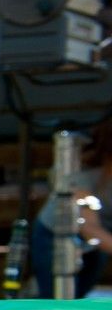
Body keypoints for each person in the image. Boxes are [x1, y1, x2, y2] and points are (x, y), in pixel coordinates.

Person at [30, 119, 112, 298]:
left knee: (79, 296)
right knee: (57, 299)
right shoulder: (84, 172)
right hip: (56, 235)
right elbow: (88, 226)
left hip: (99, 240)